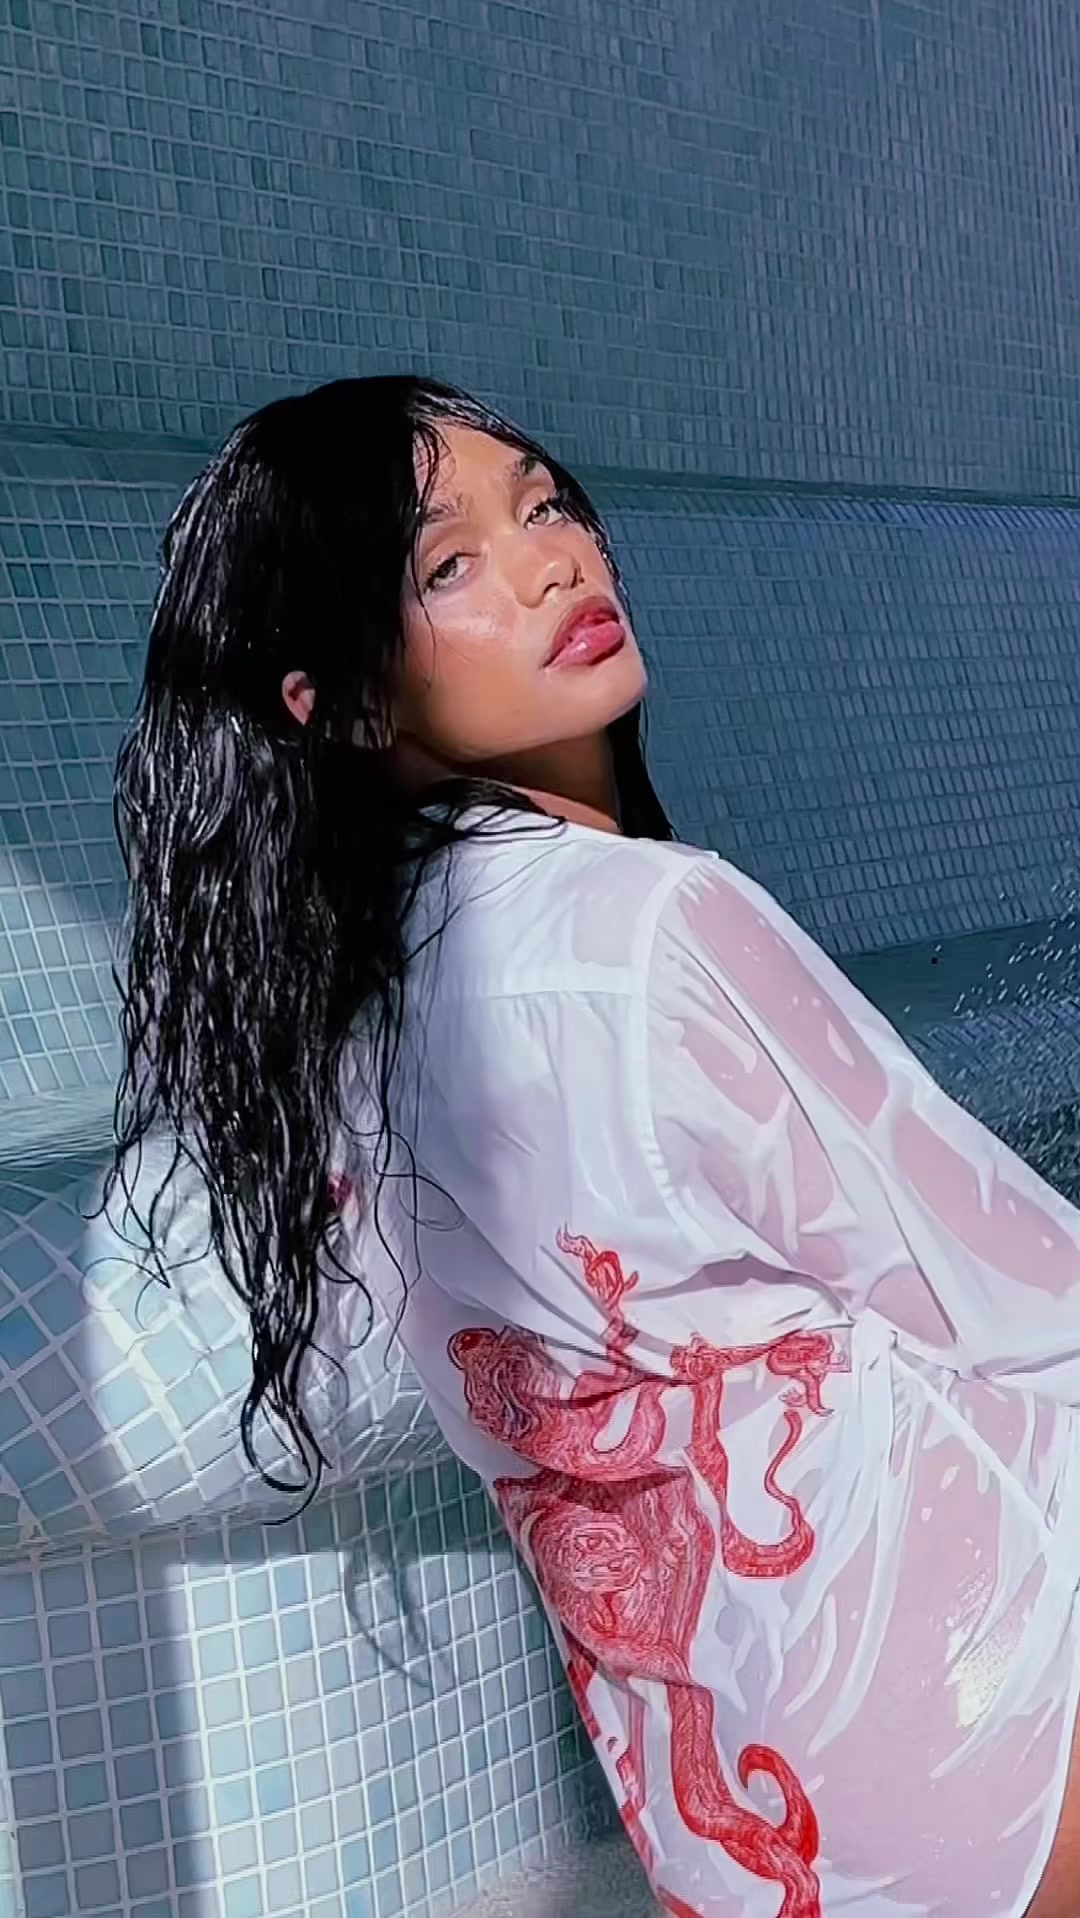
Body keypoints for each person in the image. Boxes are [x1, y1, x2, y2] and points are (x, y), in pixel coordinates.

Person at [109, 374, 1080, 1918]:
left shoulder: (346, 1022)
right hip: (984, 1707)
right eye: (449, 563)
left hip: (735, 1814)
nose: (552, 560)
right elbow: (1026, 1300)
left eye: (546, 503)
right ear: (339, 698)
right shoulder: (653, 928)